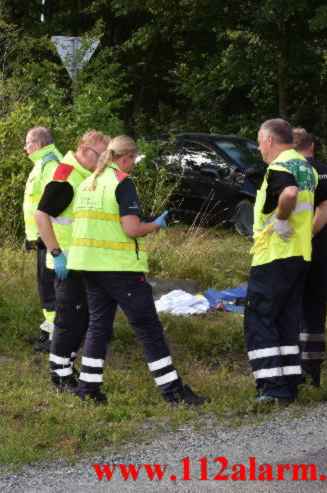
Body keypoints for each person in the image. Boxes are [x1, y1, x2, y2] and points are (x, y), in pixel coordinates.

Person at [66, 135, 209, 405]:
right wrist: (155, 225)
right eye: (134, 159)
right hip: (121, 269)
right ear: (126, 157)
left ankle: (89, 389)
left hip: (90, 267)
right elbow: (131, 229)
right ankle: (173, 392)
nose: (133, 165)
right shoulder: (122, 182)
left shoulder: (87, 183)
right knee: (148, 328)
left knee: (98, 327)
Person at [244, 119, 318, 406]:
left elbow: (288, 194)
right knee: (286, 319)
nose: (260, 148)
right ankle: (289, 384)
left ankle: (272, 388)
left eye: (260, 141)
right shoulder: (306, 167)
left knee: (259, 318)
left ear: (271, 140)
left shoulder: (279, 167)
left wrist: (282, 219)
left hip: (274, 253)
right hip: (300, 253)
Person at [34, 130, 109, 392]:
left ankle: (67, 367)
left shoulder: (84, 174)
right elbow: (41, 216)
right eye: (102, 157)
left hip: (83, 261)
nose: (105, 163)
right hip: (68, 263)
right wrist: (56, 254)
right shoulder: (65, 177)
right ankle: (60, 377)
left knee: (81, 321)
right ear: (87, 152)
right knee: (68, 323)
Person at [293, 127, 327, 387]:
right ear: (312, 147)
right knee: (314, 310)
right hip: (322, 252)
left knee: (289, 307)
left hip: (291, 252)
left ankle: (289, 373)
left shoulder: (287, 171)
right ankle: (312, 373)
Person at [22, 127, 62, 352]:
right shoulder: (41, 163)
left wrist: (44, 235)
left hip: (49, 237)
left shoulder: (50, 164)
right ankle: (49, 331)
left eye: (27, 144)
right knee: (45, 286)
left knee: (51, 286)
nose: (25, 148)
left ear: (37, 145)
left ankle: (56, 337)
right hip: (40, 237)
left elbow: (53, 202)